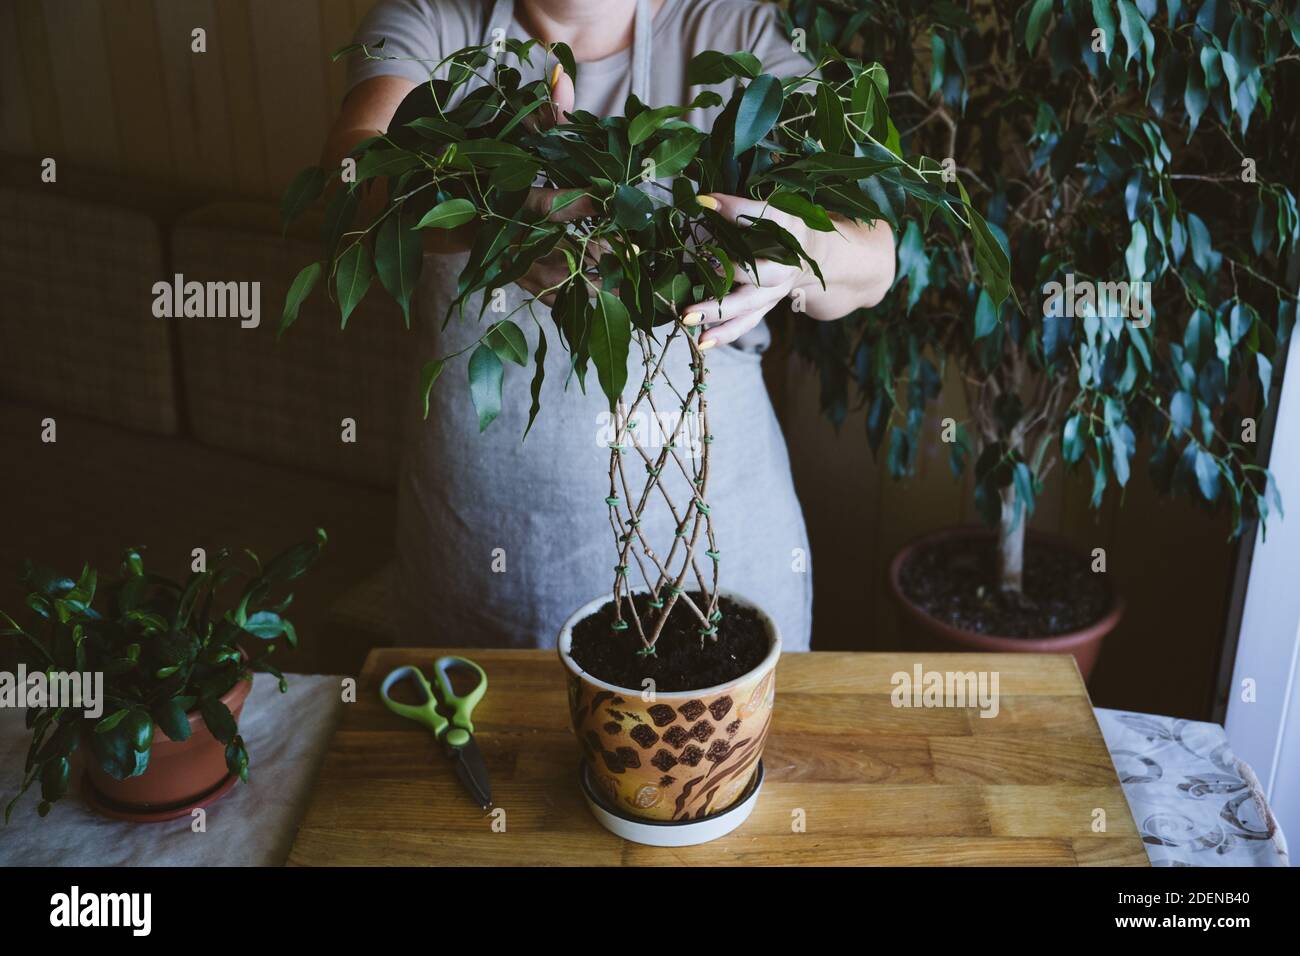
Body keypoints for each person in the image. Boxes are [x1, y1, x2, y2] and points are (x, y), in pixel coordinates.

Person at [323, 0, 896, 650]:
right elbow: (347, 178)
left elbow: (875, 255)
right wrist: (491, 214)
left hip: (716, 554)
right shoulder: (435, 19)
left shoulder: (730, 29)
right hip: (481, 551)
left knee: (717, 745)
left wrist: (799, 253)